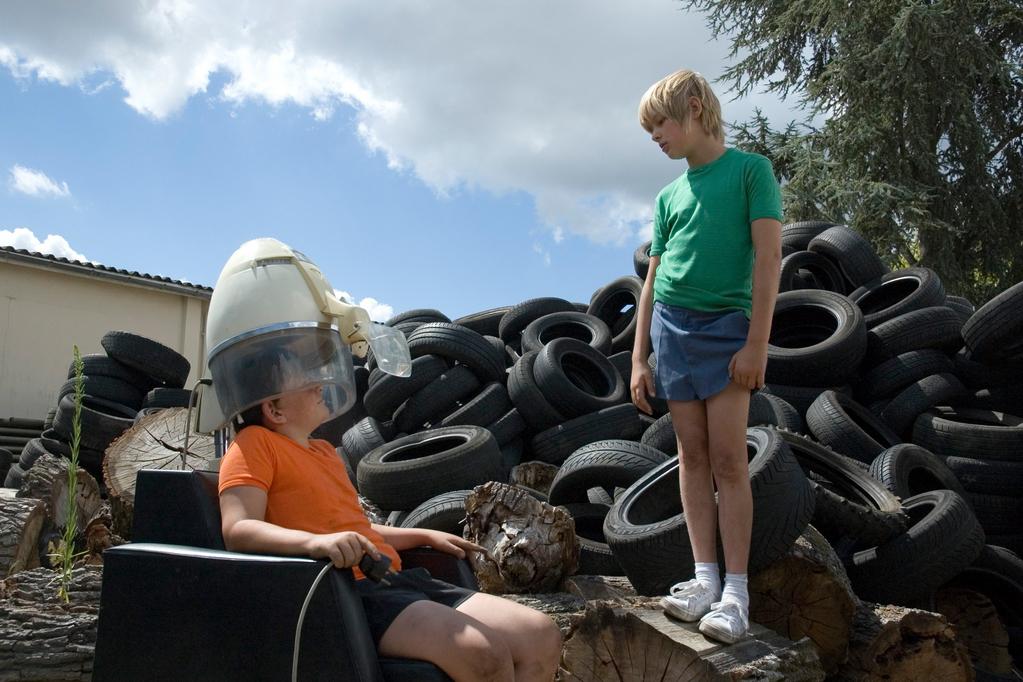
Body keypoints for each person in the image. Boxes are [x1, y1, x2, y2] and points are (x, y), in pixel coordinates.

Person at [218, 367, 563, 681]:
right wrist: (316, 544)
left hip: (394, 579)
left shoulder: (323, 451)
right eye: (305, 385)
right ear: (274, 410)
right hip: (346, 592)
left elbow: (358, 530)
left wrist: (424, 534)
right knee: (483, 654)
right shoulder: (254, 444)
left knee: (540, 634)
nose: (319, 386)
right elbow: (238, 529)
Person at [630, 69, 783, 644]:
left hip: (728, 330)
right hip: (671, 330)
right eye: (650, 130)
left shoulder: (750, 172)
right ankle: (703, 579)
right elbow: (652, 282)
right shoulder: (668, 196)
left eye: (661, 124)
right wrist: (639, 357)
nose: (656, 137)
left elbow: (769, 261)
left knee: (728, 461)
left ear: (694, 109)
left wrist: (755, 343)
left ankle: (736, 594)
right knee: (690, 459)